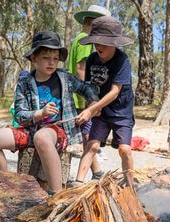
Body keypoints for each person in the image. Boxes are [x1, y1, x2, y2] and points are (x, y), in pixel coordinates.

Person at [0, 31, 99, 195]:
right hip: (30, 130)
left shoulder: (64, 77)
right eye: (46, 57)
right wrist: (39, 113)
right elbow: (20, 116)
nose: (51, 63)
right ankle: (9, 185)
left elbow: (87, 89)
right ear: (34, 58)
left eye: (55, 58)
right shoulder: (24, 83)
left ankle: (56, 193)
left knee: (42, 137)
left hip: (57, 132)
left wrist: (91, 107)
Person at [74, 16, 135, 184]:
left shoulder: (122, 61)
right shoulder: (92, 59)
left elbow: (115, 91)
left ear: (115, 43)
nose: (99, 46)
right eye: (96, 42)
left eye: (104, 43)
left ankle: (130, 186)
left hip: (121, 112)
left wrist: (92, 109)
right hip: (101, 112)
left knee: (124, 149)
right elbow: (90, 87)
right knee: (92, 145)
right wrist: (92, 103)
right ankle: (78, 181)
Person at [67, 4, 111, 180]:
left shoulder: (79, 37)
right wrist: (90, 97)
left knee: (86, 134)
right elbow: (81, 67)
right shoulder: (85, 39)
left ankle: (96, 171)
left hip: (75, 95)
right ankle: (94, 173)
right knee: (88, 134)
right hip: (81, 97)